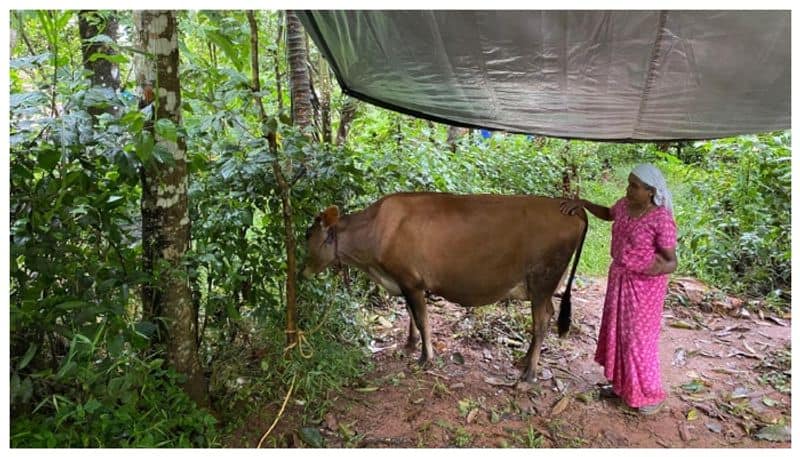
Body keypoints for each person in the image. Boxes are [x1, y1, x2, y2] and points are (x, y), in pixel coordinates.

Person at [560, 163, 677, 415]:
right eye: (628, 183)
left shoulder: (661, 219)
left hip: (644, 287)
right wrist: (584, 204)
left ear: (650, 191)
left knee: (638, 338)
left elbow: (671, 261)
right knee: (619, 333)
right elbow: (608, 213)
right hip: (620, 278)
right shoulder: (625, 206)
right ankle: (621, 386)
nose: (628, 189)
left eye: (634, 186)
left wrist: (646, 268)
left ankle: (648, 395)